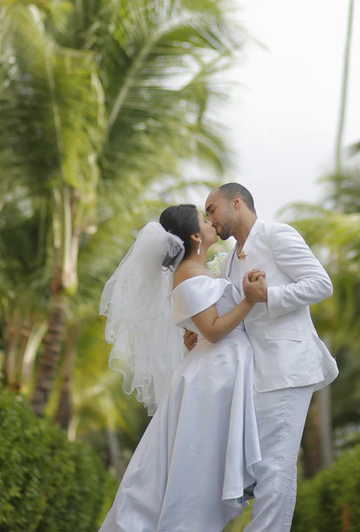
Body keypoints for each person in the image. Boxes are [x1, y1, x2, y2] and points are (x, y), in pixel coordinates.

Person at [98, 204, 268, 532]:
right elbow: (215, 330)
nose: (211, 222)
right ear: (195, 235)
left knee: (199, 466)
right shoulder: (188, 272)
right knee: (196, 469)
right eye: (205, 219)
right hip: (211, 379)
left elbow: (205, 326)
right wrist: (249, 299)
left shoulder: (201, 271)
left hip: (218, 371)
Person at [198, 182, 340, 532]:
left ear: (236, 202)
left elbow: (321, 283)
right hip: (256, 375)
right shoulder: (230, 260)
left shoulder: (277, 234)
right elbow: (239, 319)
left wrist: (269, 295)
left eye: (212, 209)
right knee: (262, 469)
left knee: (276, 466)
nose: (209, 220)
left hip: (289, 366)